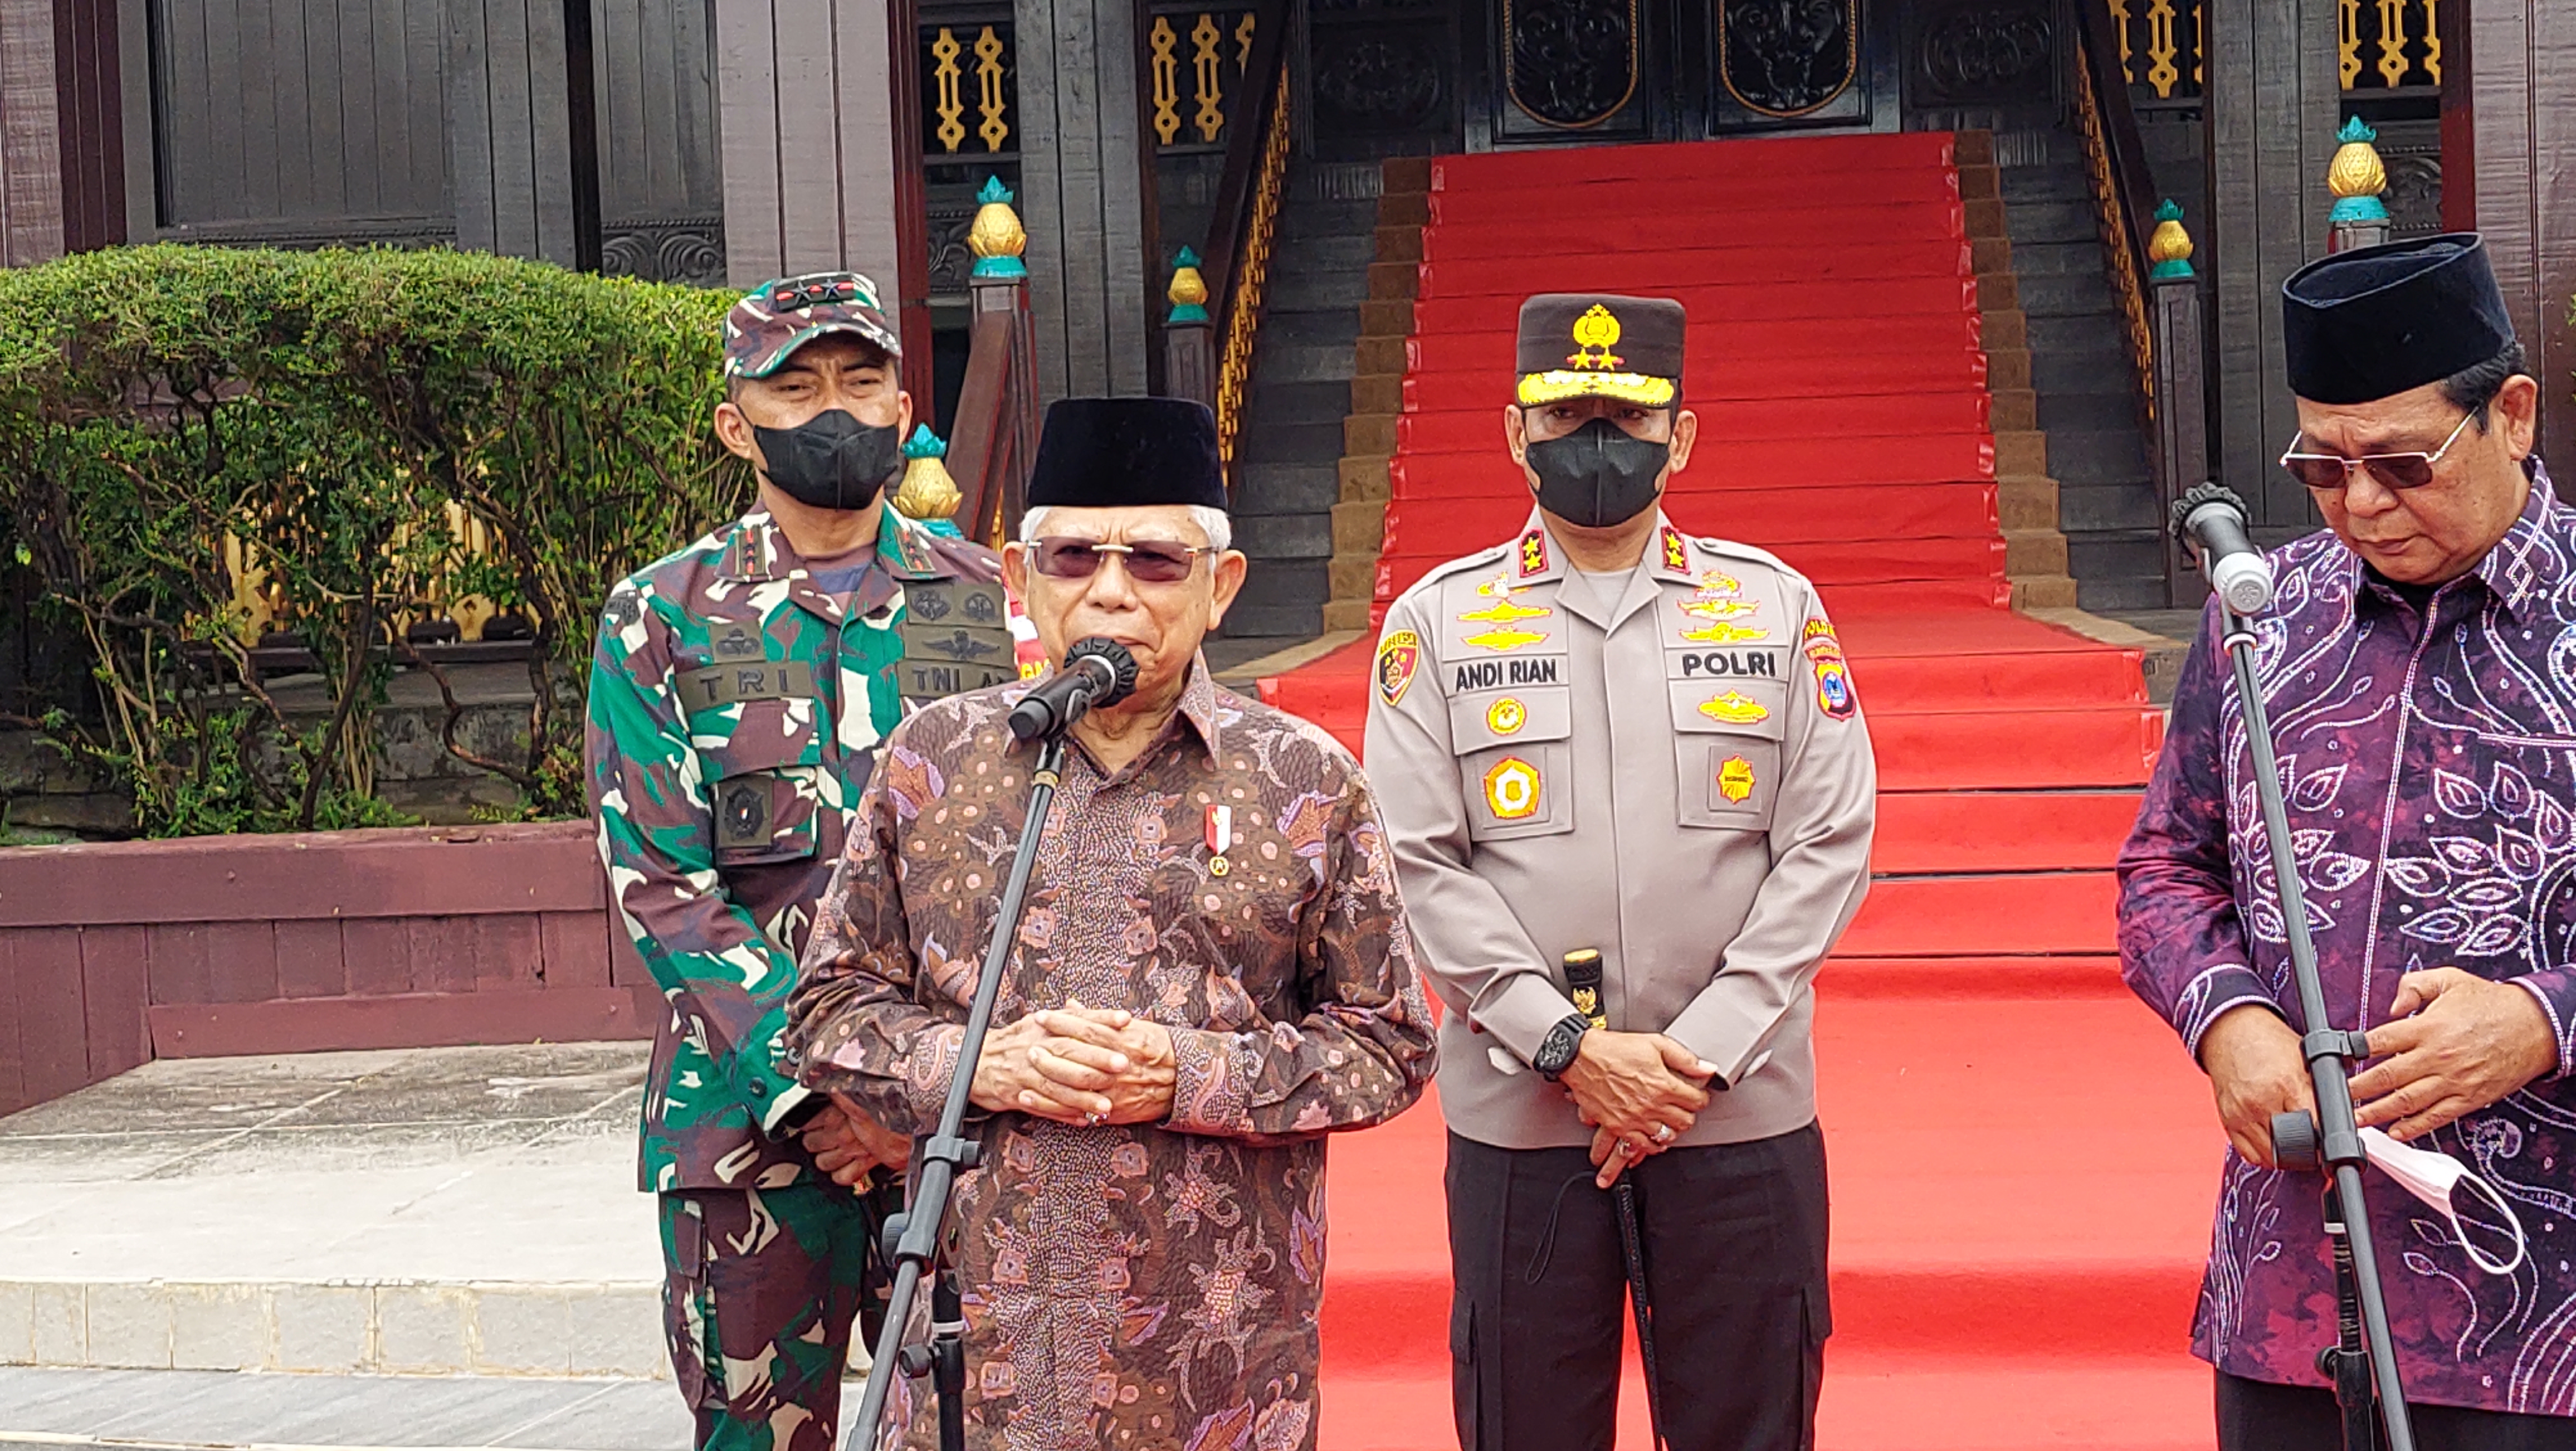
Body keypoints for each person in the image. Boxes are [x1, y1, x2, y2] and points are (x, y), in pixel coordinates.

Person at [784, 396, 1437, 1450]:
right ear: (1016, 577)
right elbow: (826, 1011)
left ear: (1220, 586)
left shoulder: (1304, 781)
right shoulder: (933, 760)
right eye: (1074, 556)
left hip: (1221, 1376)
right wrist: (976, 1065)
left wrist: (1185, 1077)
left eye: (1156, 561)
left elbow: (1391, 1045)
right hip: (976, 1364)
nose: (1111, 592)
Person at [1365, 293, 1877, 1451]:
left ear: (1680, 438)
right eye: (1564, 418)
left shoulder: (1772, 606)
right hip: (1524, 1119)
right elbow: (1415, 862)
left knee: (1750, 1423)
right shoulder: (1437, 624)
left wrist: (1691, 1060)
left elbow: (1828, 840)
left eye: (1627, 419)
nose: (1594, 443)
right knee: (1526, 1423)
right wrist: (1570, 1051)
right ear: (1513, 433)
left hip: (1736, 1111)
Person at [2119, 233, 2576, 1448]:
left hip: (2546, 1303)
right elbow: (2164, 868)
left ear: (2512, 416)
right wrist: (2228, 1019)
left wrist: (2540, 1021)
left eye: (2400, 462)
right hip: (2292, 1287)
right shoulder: (2264, 622)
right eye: (2320, 468)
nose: (2362, 503)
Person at [586, 271, 1007, 1451]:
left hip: (956, 1134)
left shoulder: (987, 605)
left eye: (860, 379)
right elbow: (663, 885)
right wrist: (829, 1084)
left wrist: (906, 1094)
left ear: (901, 401)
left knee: (984, 1427)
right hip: (747, 1136)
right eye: (797, 384)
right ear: (737, 422)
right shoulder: (659, 618)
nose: (834, 408)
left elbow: (1038, 861)